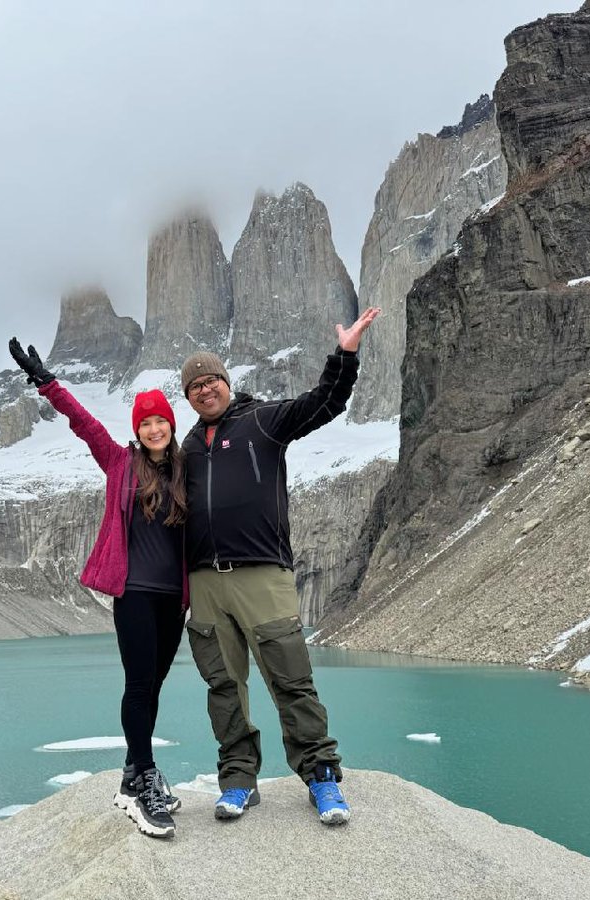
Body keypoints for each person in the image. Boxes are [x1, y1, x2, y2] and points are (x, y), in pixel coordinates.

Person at [179, 307, 381, 826]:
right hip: (205, 585)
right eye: (195, 386)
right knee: (223, 687)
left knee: (291, 680)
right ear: (188, 396)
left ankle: (322, 779)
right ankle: (239, 782)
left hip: (262, 576)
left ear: (227, 383)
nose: (205, 390)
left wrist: (346, 354)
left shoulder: (263, 421)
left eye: (212, 381)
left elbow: (326, 403)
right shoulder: (186, 449)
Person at [8, 337, 187, 839]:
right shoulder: (119, 462)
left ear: (171, 426)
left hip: (174, 600)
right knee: (137, 684)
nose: (153, 428)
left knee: (153, 687)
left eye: (160, 421)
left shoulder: (185, 470)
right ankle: (144, 780)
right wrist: (47, 384)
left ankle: (134, 774)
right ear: (138, 430)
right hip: (133, 593)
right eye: (145, 422)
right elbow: (84, 425)